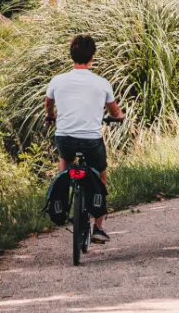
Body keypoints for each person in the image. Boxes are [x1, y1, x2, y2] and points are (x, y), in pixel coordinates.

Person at [44, 34, 124, 243]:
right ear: (92, 58)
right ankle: (98, 227)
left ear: (71, 56)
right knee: (101, 175)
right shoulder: (102, 83)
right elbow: (115, 111)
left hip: (65, 138)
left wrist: (51, 116)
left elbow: (48, 104)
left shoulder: (57, 80)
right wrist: (119, 116)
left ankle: (61, 199)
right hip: (91, 141)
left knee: (64, 162)